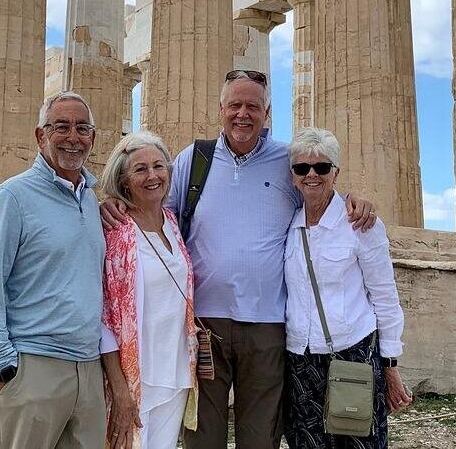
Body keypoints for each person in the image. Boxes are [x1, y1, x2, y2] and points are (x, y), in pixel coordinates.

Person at [102, 70, 377, 448]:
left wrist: (355, 200)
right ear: (221, 109)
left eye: (252, 106)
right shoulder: (193, 160)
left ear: (267, 112)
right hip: (204, 326)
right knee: (203, 435)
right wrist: (113, 203)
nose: (242, 114)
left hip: (266, 324)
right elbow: (155, 212)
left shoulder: (286, 161)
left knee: (260, 436)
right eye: (234, 105)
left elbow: (320, 193)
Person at [0, 91, 107, 449]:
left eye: (82, 128)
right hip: (33, 365)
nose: (73, 137)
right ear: (40, 135)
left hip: (88, 370)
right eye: (61, 127)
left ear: (93, 137)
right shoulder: (12, 197)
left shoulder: (91, 199)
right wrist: (2, 364)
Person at [283, 128, 411, 449]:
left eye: (322, 167)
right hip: (299, 361)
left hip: (353, 354)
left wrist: (390, 365)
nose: (312, 174)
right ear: (293, 176)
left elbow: (385, 296)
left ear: (336, 173)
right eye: (302, 168)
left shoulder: (360, 224)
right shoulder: (288, 225)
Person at [99, 131, 198, 449]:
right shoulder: (117, 231)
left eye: (158, 166)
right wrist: (119, 388)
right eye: (140, 169)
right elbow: (105, 317)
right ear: (124, 180)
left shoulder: (171, 221)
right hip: (136, 375)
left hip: (176, 371)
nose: (153, 176)